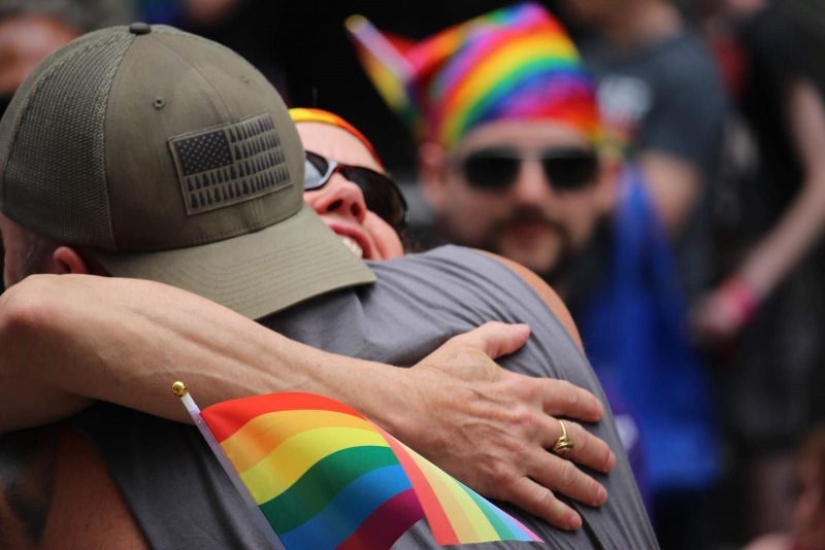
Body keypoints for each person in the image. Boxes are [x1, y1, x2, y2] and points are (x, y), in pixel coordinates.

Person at [0, 23, 657, 547]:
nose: (342, 192)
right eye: (307, 173)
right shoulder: (510, 295)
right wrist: (408, 406)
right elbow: (40, 320)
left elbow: (37, 318)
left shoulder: (75, 462)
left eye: (376, 192)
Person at [347, 2, 720, 540]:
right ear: (435, 175)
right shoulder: (381, 349)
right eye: (493, 167)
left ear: (607, 179)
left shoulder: (631, 333)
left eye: (566, 169)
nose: (531, 192)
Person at [695, 0, 825, 541]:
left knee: (772, 454)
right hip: (728, 278)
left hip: (775, 294)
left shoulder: (774, 35)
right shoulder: (716, 34)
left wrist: (747, 290)